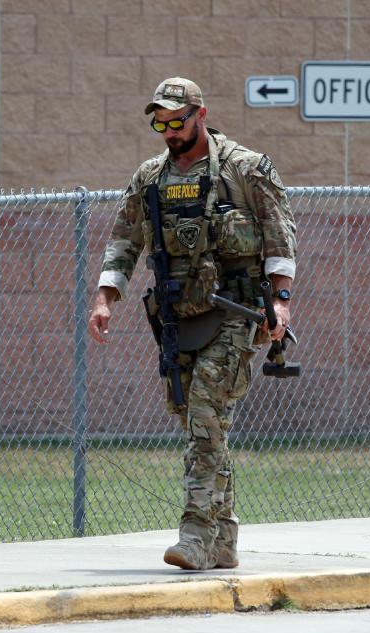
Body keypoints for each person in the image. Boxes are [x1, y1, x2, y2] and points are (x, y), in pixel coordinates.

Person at [87, 78, 297, 571]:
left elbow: (280, 238)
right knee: (202, 427)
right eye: (159, 121)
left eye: (176, 119)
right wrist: (104, 299)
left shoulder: (245, 169)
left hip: (235, 313)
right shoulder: (150, 178)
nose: (168, 129)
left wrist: (281, 304)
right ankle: (224, 539)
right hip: (178, 318)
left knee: (205, 411)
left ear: (200, 114)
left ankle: (196, 536)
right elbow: (123, 241)